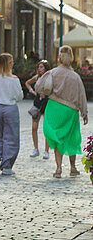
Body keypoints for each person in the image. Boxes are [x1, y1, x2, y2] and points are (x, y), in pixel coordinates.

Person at [36, 46, 89, 178]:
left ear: (59, 57)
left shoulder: (52, 73)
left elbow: (38, 87)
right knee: (72, 138)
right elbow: (82, 95)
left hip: (54, 107)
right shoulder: (75, 77)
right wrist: (84, 112)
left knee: (57, 137)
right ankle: (72, 167)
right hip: (70, 110)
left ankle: (59, 168)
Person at [25, 60, 50, 159]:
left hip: (47, 103)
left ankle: (46, 150)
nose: (39, 69)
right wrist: (32, 91)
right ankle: (36, 149)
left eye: (41, 67)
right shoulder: (37, 77)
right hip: (37, 103)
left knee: (46, 128)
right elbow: (27, 83)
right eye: (38, 67)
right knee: (34, 127)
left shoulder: (49, 77)